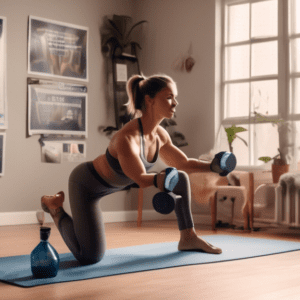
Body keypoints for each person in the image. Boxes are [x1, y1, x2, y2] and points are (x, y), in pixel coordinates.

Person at [41, 74, 227, 266]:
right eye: (169, 97)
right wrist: (159, 179)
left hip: (117, 184)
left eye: (175, 97)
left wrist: (213, 167)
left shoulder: (160, 135)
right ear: (150, 100)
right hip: (86, 184)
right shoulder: (126, 138)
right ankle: (55, 207)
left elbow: (184, 163)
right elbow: (140, 178)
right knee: (90, 257)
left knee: (179, 177)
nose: (175, 103)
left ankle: (188, 237)